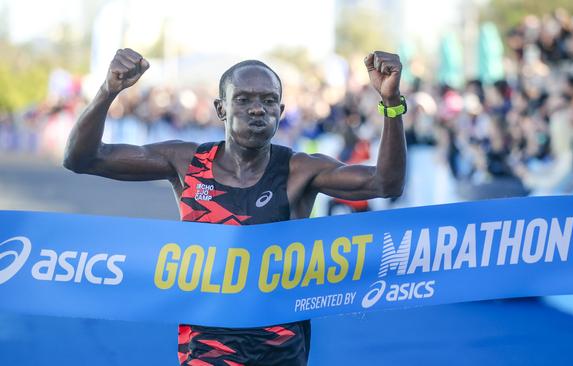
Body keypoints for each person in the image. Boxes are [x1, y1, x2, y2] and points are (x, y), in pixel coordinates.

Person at [63, 48, 407, 366]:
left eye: (269, 101)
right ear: (220, 109)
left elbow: (385, 183)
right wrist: (108, 90)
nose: (257, 109)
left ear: (281, 111)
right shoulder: (187, 162)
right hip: (206, 350)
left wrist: (391, 102)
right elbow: (83, 158)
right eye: (243, 99)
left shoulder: (300, 170)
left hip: (282, 352)